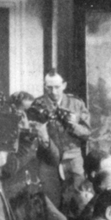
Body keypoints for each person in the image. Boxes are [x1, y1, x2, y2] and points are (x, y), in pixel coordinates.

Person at [31, 69, 91, 208]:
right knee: (50, 203)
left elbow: (87, 133)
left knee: (79, 202)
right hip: (48, 160)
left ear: (64, 85)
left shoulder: (76, 104)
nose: (53, 91)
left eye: (57, 87)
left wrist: (74, 125)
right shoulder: (37, 105)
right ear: (44, 86)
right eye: (49, 87)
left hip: (73, 159)